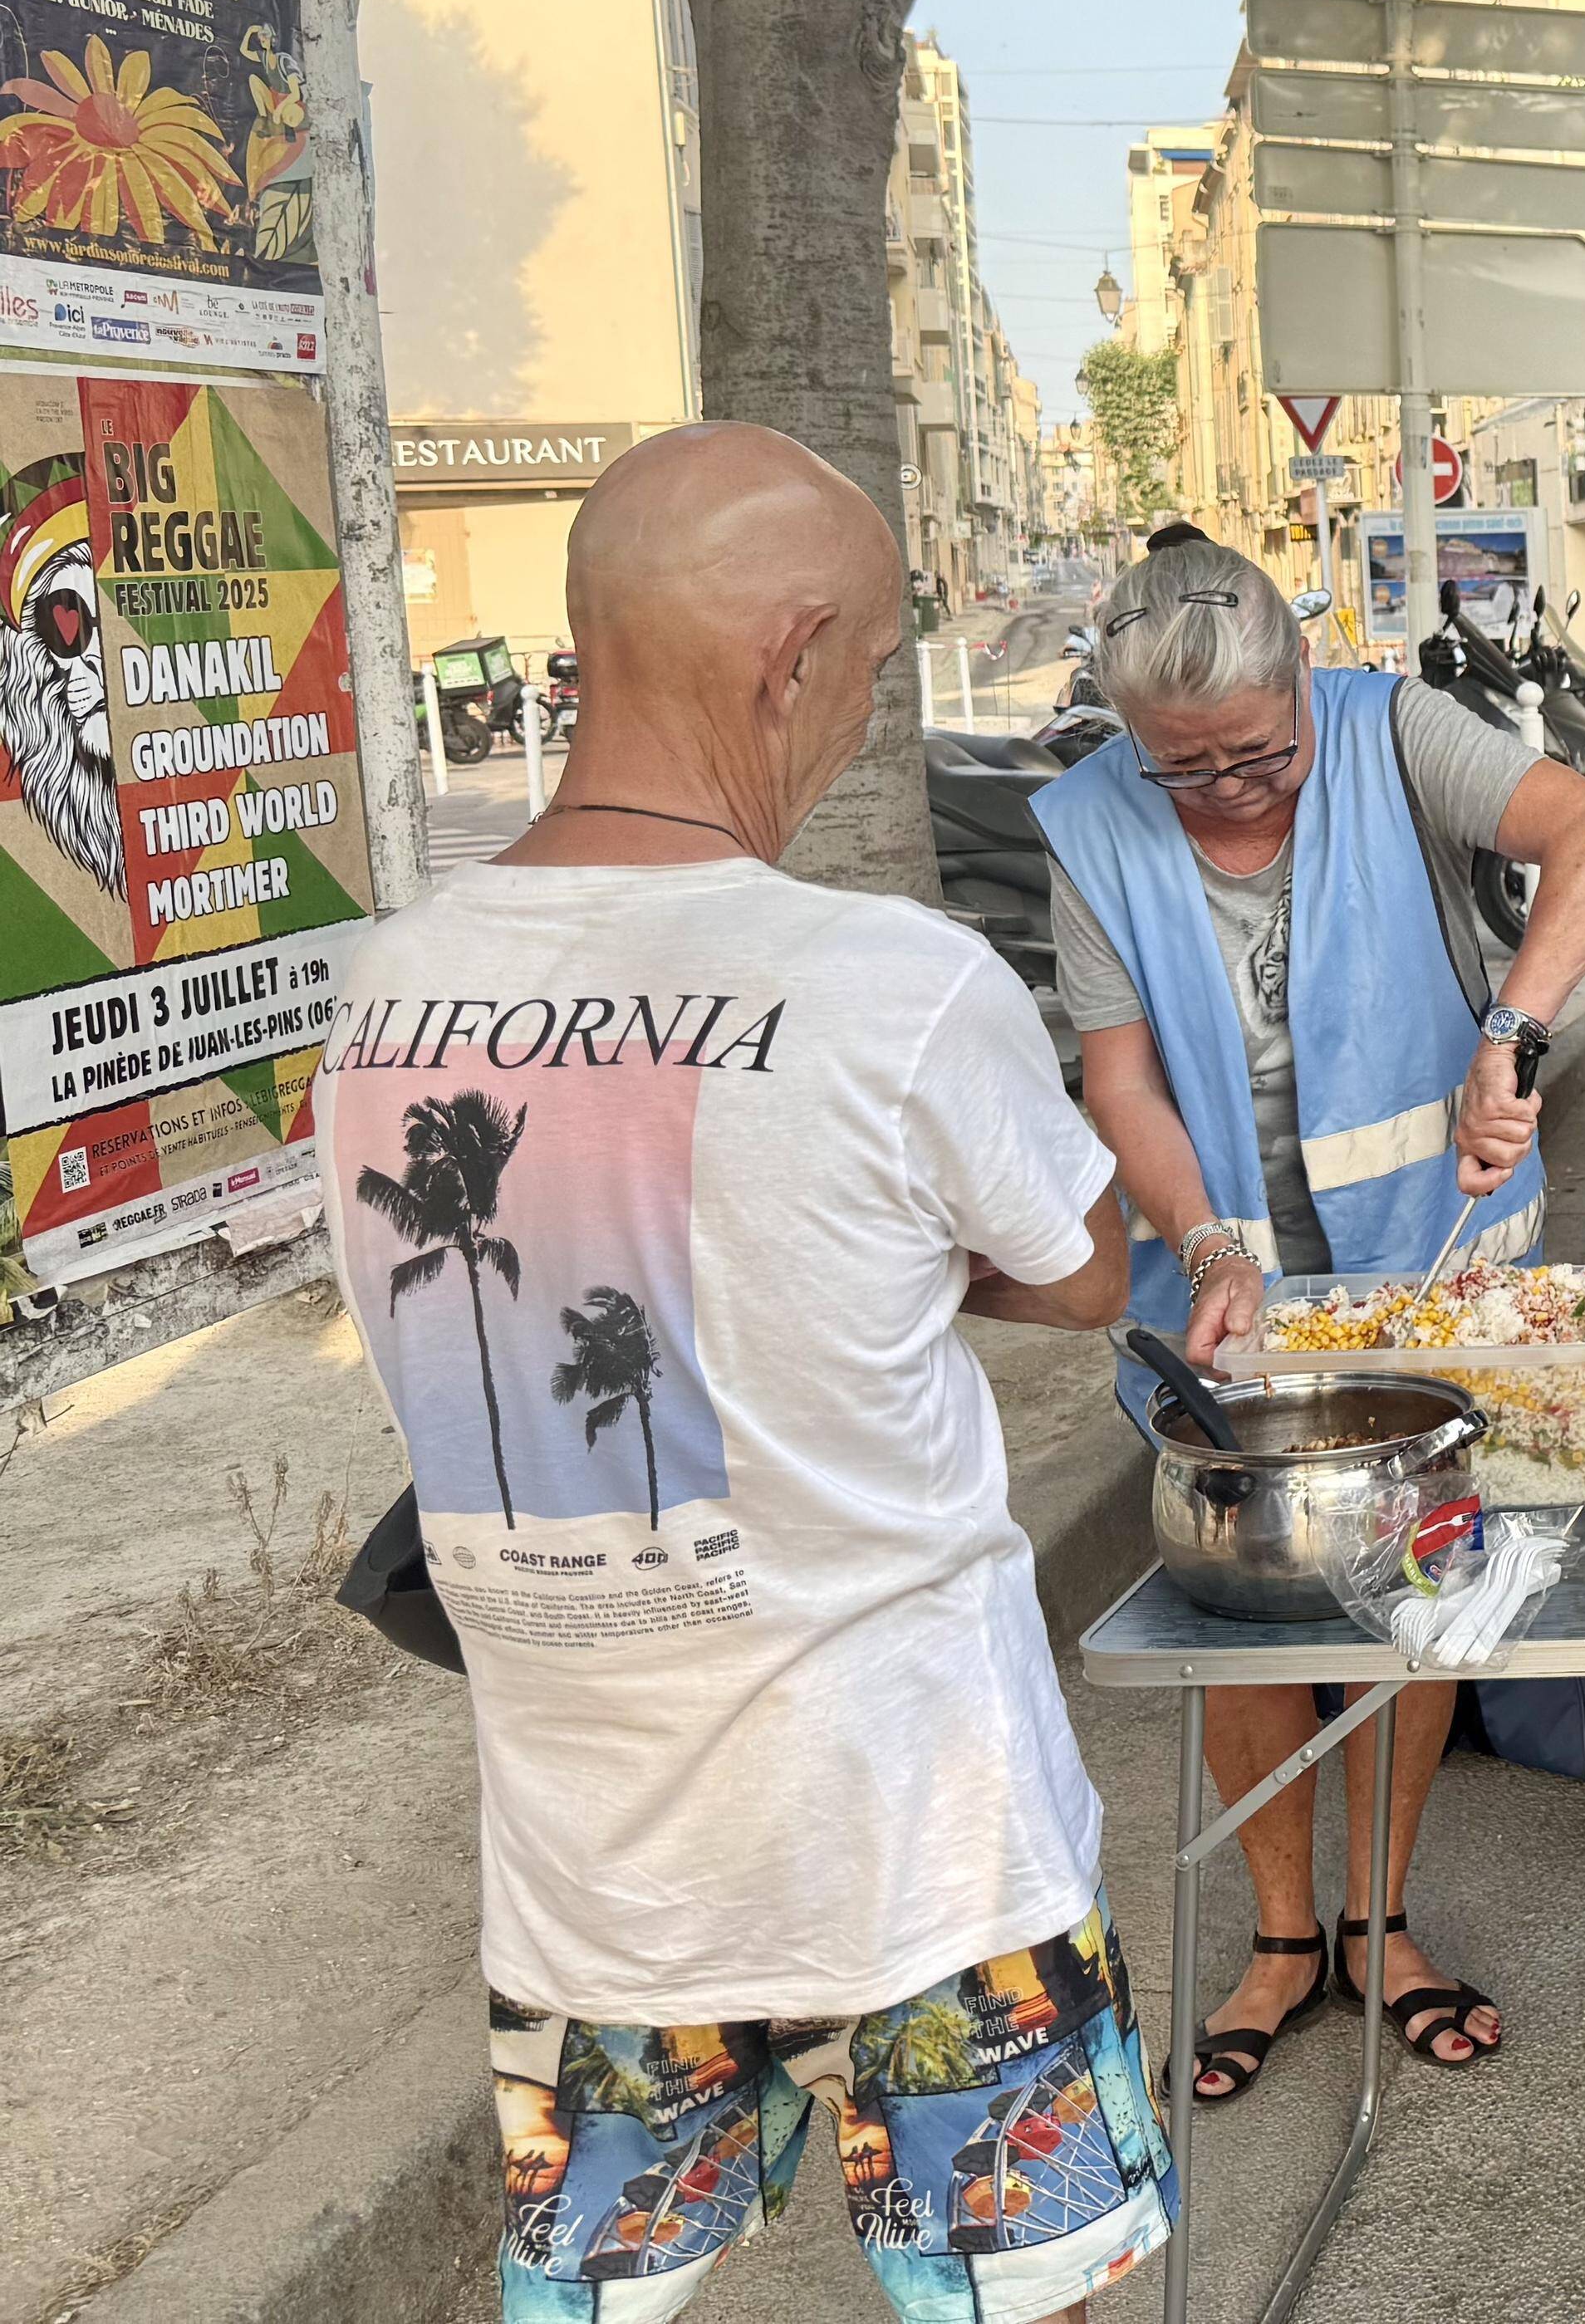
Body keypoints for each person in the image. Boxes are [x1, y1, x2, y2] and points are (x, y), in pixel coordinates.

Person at [321, 424, 1167, 2322]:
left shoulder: (384, 990)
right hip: (921, 1835)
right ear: (792, 658)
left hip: (594, 1862)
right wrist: (854, 1254)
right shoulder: (894, 981)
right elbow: (1081, 1268)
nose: (861, 721)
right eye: (866, 670)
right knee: (1019, 2289)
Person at [1038, 536, 1585, 2093]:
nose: (1228, 791)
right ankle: (1283, 1937)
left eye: (1259, 752)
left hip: (1430, 1252)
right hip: (1224, 1281)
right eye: (1186, 768)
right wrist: (1205, 1243)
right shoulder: (1091, 822)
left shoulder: (1394, 730)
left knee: (1410, 1584)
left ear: (1306, 677)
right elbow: (1123, 1079)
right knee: (1231, 1601)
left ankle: (1380, 1919)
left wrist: (1514, 1028)